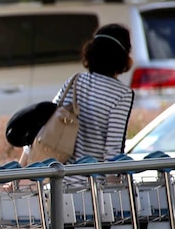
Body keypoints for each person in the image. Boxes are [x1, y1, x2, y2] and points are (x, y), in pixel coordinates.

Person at [19, 23, 135, 188]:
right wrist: (117, 193)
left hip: (58, 185)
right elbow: (112, 151)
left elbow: (44, 129)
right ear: (123, 56)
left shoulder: (75, 82)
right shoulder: (122, 95)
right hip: (93, 191)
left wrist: (16, 176)